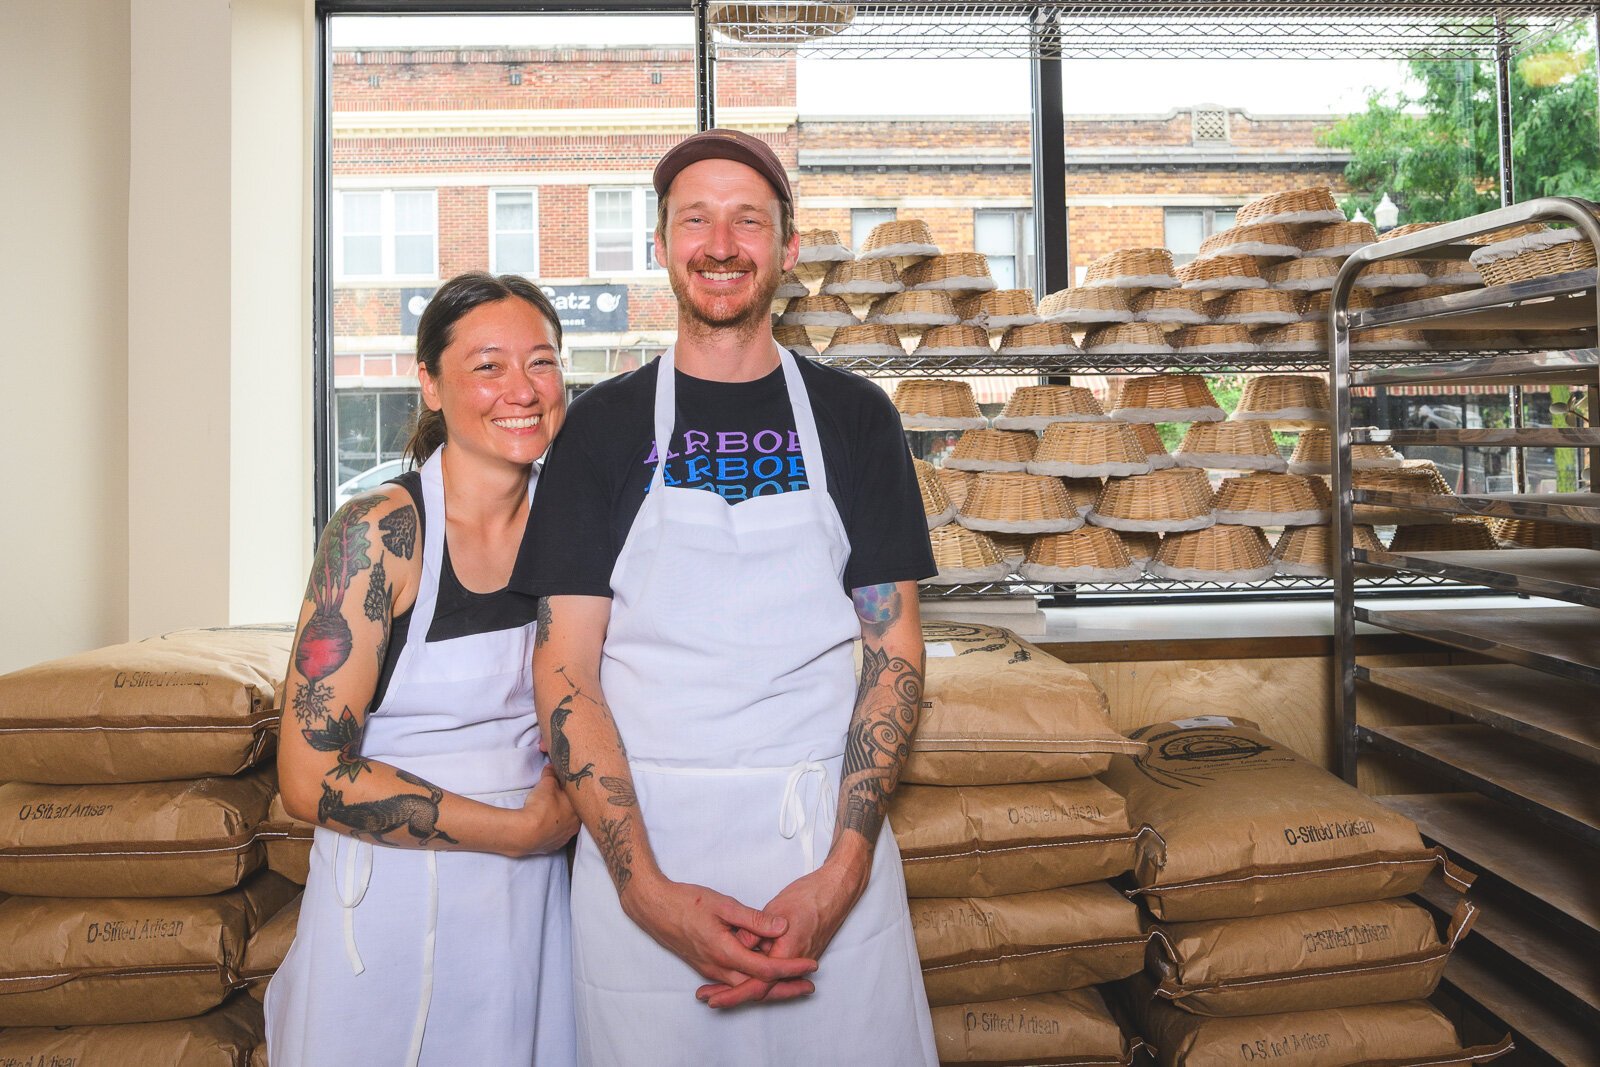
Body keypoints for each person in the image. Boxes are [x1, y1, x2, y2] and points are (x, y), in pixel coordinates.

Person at [521, 130, 939, 1064]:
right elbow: (563, 668)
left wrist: (843, 871)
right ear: (661, 244)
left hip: (824, 842)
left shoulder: (856, 418)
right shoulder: (599, 429)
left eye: (748, 220)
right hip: (649, 850)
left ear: (788, 248)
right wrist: (645, 888)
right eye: (695, 219)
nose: (721, 243)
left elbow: (894, 648)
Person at [268, 272, 579, 1067]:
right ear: (431, 384)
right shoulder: (376, 535)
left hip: (541, 901)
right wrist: (517, 831)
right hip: (395, 904)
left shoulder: (580, 521)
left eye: (541, 362)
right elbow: (310, 779)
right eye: (487, 366)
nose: (521, 389)